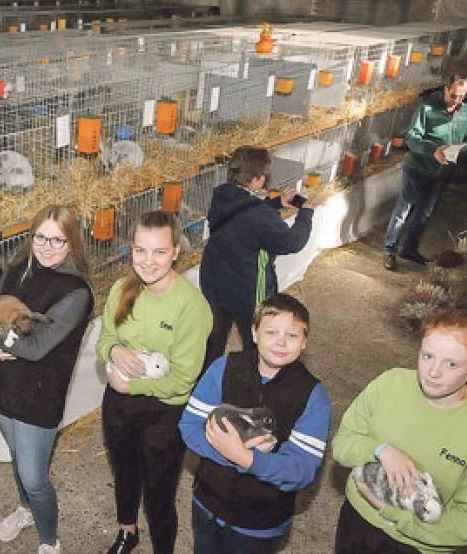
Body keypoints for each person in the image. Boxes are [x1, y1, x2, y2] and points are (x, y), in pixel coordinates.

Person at [332, 308, 467, 553]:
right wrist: (380, 449)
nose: (434, 372)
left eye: (452, 363)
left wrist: (394, 514)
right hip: (357, 519)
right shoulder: (389, 383)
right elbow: (342, 444)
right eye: (427, 356)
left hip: (417, 544)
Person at [0, 204, 94, 554]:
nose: (46, 247)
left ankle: (49, 541)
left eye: (57, 240)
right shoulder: (17, 268)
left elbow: (38, 347)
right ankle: (25, 510)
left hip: (38, 396)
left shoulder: (76, 292)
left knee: (34, 477)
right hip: (3, 386)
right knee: (16, 455)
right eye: (40, 237)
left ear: (72, 243)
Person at [97, 210, 213, 554]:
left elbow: (183, 379)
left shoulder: (192, 307)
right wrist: (115, 351)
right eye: (140, 251)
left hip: (163, 410)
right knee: (124, 471)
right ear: (130, 249)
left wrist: (134, 387)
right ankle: (127, 532)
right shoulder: (122, 289)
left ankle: (164, 547)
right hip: (118, 404)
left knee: (159, 489)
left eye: (159, 252)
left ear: (176, 251)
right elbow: (103, 339)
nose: (148, 262)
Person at [180, 293, 331, 554]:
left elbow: (302, 469)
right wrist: (229, 453)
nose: (281, 342)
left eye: (293, 336)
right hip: (208, 503)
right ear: (254, 332)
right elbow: (189, 425)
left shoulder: (313, 396)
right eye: (271, 332)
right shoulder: (225, 367)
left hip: (260, 522)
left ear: (305, 341)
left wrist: (247, 459)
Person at [199, 146, 314, 369]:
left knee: (214, 339)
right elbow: (292, 242)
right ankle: (254, 380)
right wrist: (306, 215)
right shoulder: (261, 216)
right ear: (258, 180)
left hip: (215, 282)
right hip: (247, 291)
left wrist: (275, 204)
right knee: (256, 341)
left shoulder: (222, 196)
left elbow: (244, 216)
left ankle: (204, 382)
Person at [383, 75, 467, 271]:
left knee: (424, 213)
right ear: (445, 89)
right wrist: (433, 149)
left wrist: (460, 150)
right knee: (403, 210)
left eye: (462, 97)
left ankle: (409, 249)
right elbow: (411, 137)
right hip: (417, 168)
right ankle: (389, 251)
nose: (457, 101)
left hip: (442, 172)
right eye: (453, 96)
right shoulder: (427, 108)